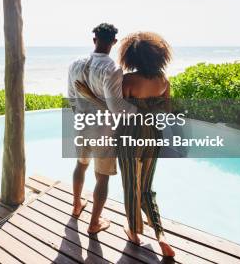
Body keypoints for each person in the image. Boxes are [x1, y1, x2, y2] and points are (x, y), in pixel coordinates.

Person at [75, 31, 176, 257]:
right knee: (147, 187)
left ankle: (134, 231)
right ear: (158, 56)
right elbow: (165, 111)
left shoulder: (129, 80)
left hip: (130, 135)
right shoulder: (163, 81)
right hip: (153, 134)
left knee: (131, 184)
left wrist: (89, 95)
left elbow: (116, 108)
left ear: (132, 57)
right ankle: (161, 235)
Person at [67, 23, 135, 234]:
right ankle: (94, 223)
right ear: (114, 42)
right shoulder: (112, 69)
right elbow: (116, 108)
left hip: (81, 125)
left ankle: (77, 205)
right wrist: (137, 111)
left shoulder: (75, 64)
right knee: (102, 176)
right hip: (103, 131)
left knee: (81, 165)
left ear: (94, 39)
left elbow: (70, 98)